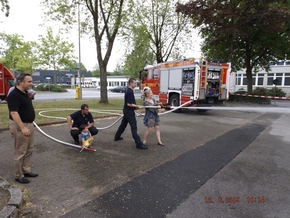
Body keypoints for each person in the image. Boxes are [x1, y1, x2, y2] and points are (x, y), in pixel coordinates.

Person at [7, 73, 38, 184]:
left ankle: (26, 170)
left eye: (31, 81)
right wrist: (23, 128)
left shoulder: (25, 93)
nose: (31, 83)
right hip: (21, 126)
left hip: (29, 124)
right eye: (29, 81)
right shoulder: (14, 95)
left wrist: (30, 97)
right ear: (21, 82)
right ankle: (18, 175)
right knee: (20, 151)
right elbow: (14, 113)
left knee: (29, 150)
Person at [114, 77, 148, 150]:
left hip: (126, 111)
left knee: (123, 125)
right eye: (135, 83)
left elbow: (129, 104)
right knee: (134, 128)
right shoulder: (129, 92)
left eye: (136, 83)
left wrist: (135, 107)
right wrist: (137, 106)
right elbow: (129, 104)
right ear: (130, 83)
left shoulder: (129, 91)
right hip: (129, 112)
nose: (135, 84)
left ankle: (117, 137)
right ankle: (139, 144)